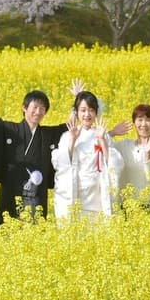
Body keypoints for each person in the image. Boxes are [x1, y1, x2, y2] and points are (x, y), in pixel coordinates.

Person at [0, 81, 80, 225]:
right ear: (24, 108)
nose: (38, 112)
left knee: (35, 228)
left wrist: (77, 100)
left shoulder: (46, 134)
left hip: (36, 195)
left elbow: (69, 125)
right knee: (8, 227)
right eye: (35, 107)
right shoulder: (10, 129)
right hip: (11, 190)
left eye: (42, 109)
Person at [51, 90, 124, 223]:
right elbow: (60, 164)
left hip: (98, 195)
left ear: (96, 112)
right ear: (77, 112)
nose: (87, 114)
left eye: (91, 110)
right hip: (75, 193)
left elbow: (114, 164)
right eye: (83, 110)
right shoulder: (67, 136)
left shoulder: (103, 134)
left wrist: (102, 139)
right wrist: (72, 139)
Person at [111, 103, 150, 207]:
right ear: (134, 123)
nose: (144, 124)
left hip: (149, 204)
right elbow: (103, 149)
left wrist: (147, 153)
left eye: (148, 120)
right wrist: (112, 133)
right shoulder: (125, 146)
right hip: (127, 204)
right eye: (140, 119)